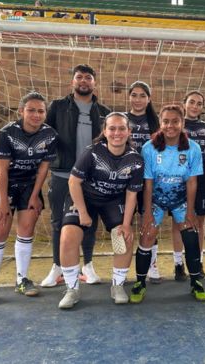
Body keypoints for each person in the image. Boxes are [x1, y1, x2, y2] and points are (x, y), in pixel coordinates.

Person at [0, 92, 58, 306]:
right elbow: (2, 172)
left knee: (26, 230)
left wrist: (34, 195)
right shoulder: (7, 133)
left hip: (30, 185)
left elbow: (43, 170)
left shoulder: (50, 135)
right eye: (31, 110)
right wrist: (3, 202)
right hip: (6, 184)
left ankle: (21, 279)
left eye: (40, 111)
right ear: (21, 111)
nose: (36, 114)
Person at [57, 113, 144, 309]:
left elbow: (132, 194)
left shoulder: (135, 160)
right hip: (84, 197)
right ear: (104, 131)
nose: (117, 133)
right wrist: (83, 212)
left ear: (129, 131)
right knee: (68, 237)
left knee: (125, 237)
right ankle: (72, 289)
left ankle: (118, 285)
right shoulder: (93, 152)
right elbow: (73, 182)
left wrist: (127, 224)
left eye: (122, 128)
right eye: (112, 128)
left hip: (113, 199)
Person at [40, 64, 112, 288]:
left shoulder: (104, 112)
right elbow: (46, 136)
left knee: (88, 221)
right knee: (58, 222)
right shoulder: (58, 107)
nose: (83, 81)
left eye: (88, 77)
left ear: (94, 83)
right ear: (72, 82)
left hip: (92, 177)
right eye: (79, 77)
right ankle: (57, 266)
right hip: (63, 174)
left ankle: (87, 264)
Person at [130, 104, 205, 303]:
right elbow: (147, 183)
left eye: (175, 121)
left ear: (182, 123)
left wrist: (190, 211)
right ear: (160, 123)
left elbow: (192, 182)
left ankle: (196, 282)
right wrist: (147, 212)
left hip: (180, 200)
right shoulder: (149, 148)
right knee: (147, 235)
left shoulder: (193, 148)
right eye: (166, 121)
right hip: (155, 199)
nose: (170, 125)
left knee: (190, 235)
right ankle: (140, 282)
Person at [170, 90, 205, 282]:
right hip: (179, 179)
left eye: (199, 103)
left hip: (202, 178)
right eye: (192, 102)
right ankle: (178, 264)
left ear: (202, 108)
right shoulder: (176, 126)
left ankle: (198, 261)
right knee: (178, 221)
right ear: (184, 104)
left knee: (199, 222)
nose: (195, 106)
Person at [124, 81, 161, 283]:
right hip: (125, 176)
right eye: (134, 95)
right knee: (125, 221)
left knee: (149, 219)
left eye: (142, 95)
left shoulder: (155, 122)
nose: (138, 99)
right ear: (129, 97)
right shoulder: (123, 119)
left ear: (149, 98)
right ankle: (123, 264)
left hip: (149, 178)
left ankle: (151, 263)